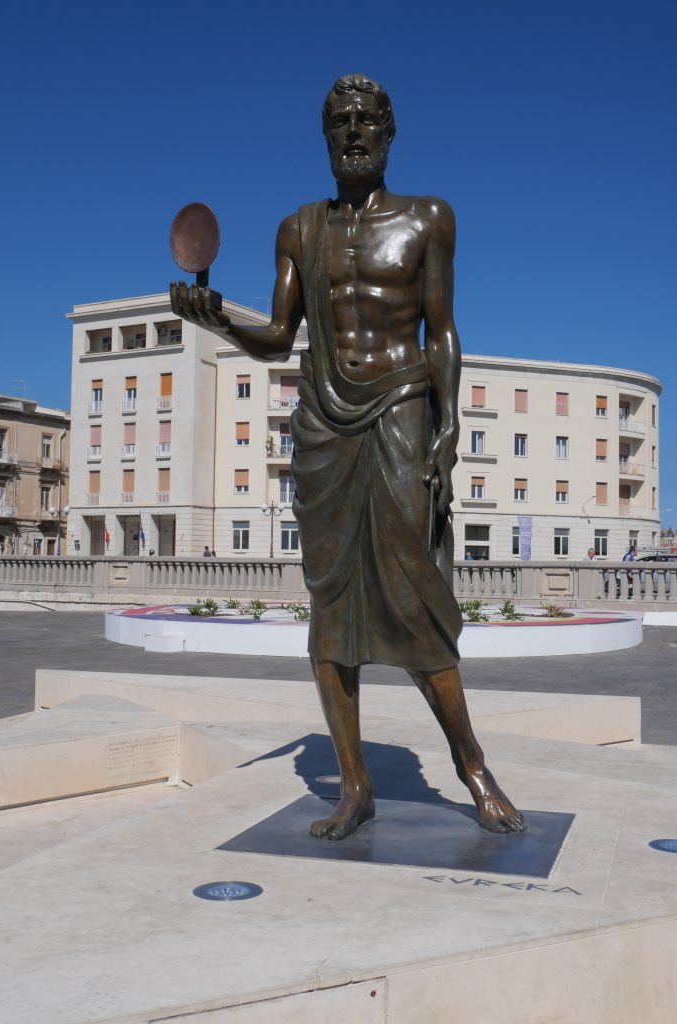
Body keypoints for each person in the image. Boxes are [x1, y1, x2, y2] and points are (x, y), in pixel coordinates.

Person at [171, 74, 525, 839]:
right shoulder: (299, 230)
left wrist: (452, 419)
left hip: (400, 407)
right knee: (331, 607)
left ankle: (472, 768)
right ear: (325, 137)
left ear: (390, 133)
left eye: (367, 120)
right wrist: (216, 316)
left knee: (415, 594)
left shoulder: (430, 219)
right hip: (324, 427)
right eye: (341, 122)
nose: (355, 132)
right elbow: (277, 336)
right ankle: (354, 784)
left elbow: (443, 332)